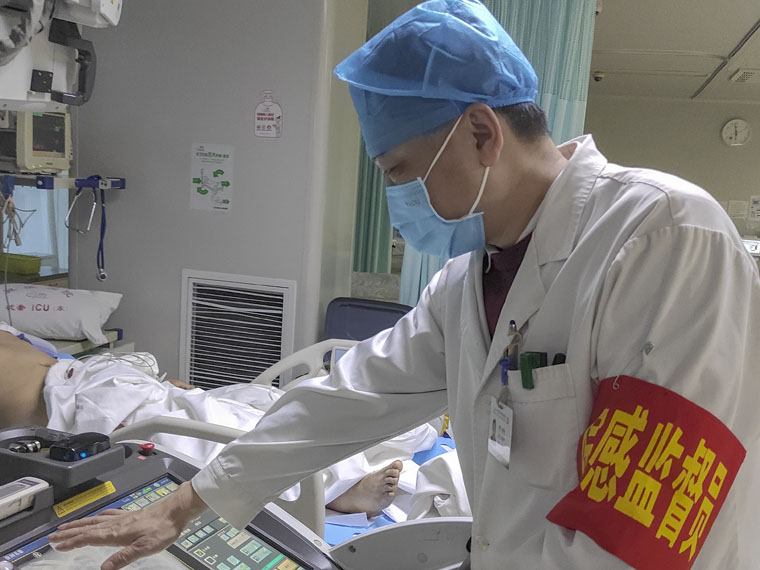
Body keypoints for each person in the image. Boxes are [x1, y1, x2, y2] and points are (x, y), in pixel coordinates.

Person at [50, 1, 760, 569]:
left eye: (399, 171)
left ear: (481, 133)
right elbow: (346, 399)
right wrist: (187, 502)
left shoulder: (662, 238)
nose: (396, 199)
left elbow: (638, 528)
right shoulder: (469, 281)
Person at [0, 325, 412, 517]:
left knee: (249, 405)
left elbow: (54, 355)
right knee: (212, 433)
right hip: (88, 412)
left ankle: (356, 444)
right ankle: (337, 487)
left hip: (99, 381)